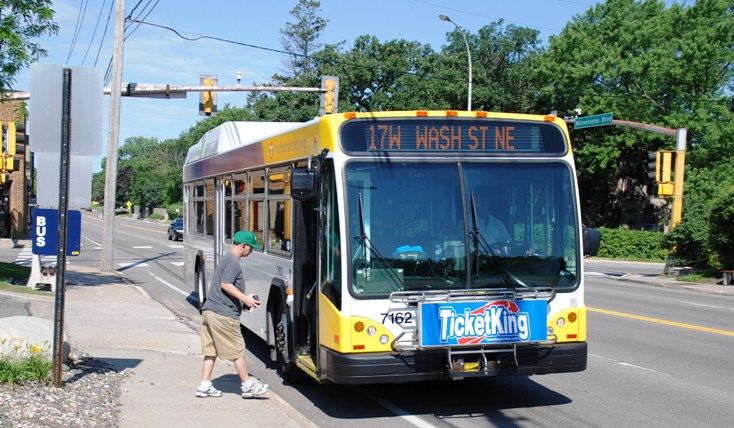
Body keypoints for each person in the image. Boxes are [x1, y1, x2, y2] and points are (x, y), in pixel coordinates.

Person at [196, 230, 269, 399]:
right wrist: (245, 299)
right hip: (223, 314)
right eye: (251, 248)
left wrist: (242, 301)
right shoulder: (234, 262)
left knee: (210, 351)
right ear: (243, 246)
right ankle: (247, 385)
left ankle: (205, 385)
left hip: (210, 311)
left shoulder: (226, 258)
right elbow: (226, 284)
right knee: (237, 351)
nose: (251, 251)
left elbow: (225, 287)